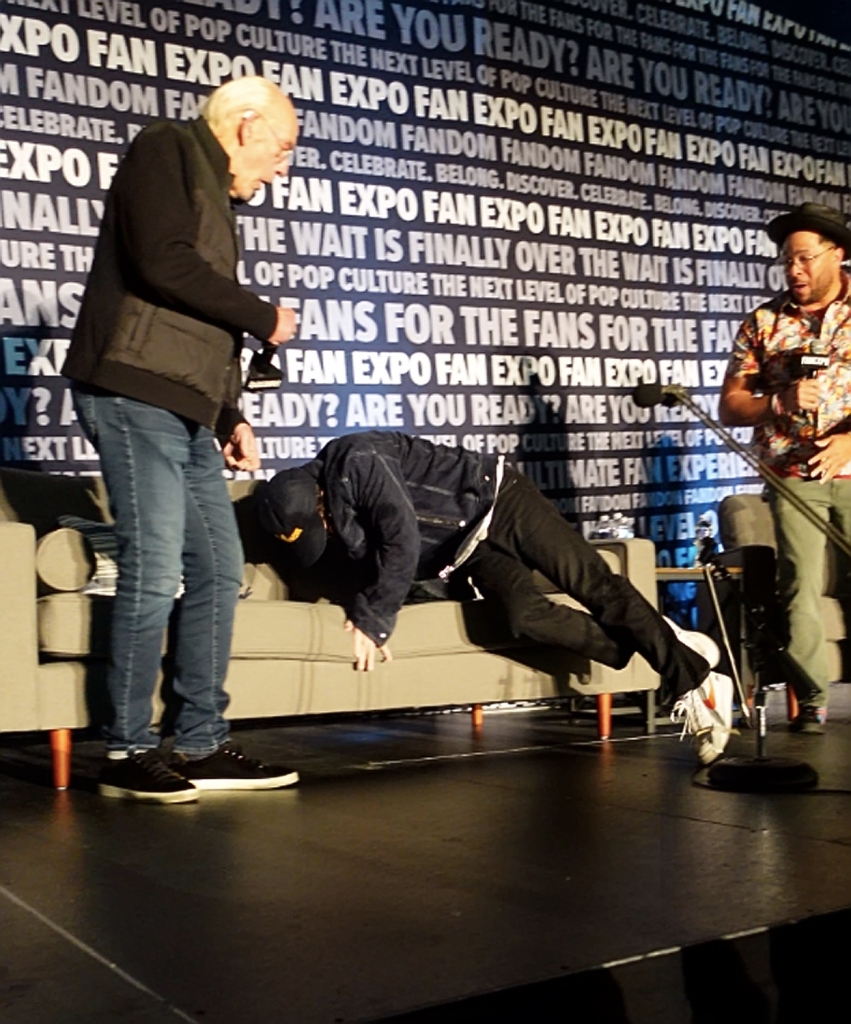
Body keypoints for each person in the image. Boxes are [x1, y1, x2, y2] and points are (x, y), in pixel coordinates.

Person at [63, 76, 301, 802]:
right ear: (244, 123)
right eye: (281, 147)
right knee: (154, 562)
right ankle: (126, 749)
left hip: (187, 409)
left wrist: (229, 416)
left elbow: (198, 326)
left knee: (219, 568)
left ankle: (198, 742)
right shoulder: (165, 148)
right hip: (131, 391)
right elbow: (161, 262)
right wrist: (264, 315)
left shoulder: (217, 201)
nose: (282, 165)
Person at [257, 432, 734, 764]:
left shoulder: (358, 458)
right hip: (466, 551)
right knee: (523, 616)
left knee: (593, 584)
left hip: (499, 500)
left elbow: (399, 535)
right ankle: (669, 642)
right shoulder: (330, 517)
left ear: (319, 498)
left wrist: (374, 619)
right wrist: (365, 608)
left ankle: (695, 685)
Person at [720, 202, 851, 735]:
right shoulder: (764, 322)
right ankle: (813, 700)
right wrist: (778, 400)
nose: (794, 271)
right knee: (797, 583)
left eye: (804, 259)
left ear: (837, 254)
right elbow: (730, 404)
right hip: (791, 475)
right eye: (786, 262)